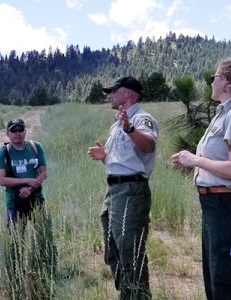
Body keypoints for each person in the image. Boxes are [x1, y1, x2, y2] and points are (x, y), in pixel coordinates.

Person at [171, 57, 231, 299]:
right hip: (218, 208)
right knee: (217, 283)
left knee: (230, 287)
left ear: (228, 83)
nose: (211, 82)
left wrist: (195, 160)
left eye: (214, 77)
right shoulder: (224, 114)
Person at [86, 76, 159, 299]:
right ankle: (127, 295)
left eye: (113, 91)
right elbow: (121, 159)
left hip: (131, 191)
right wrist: (104, 157)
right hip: (114, 192)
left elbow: (149, 145)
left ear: (127, 93)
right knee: (113, 250)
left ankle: (138, 296)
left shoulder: (142, 118)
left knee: (130, 250)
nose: (110, 95)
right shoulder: (116, 124)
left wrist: (129, 128)